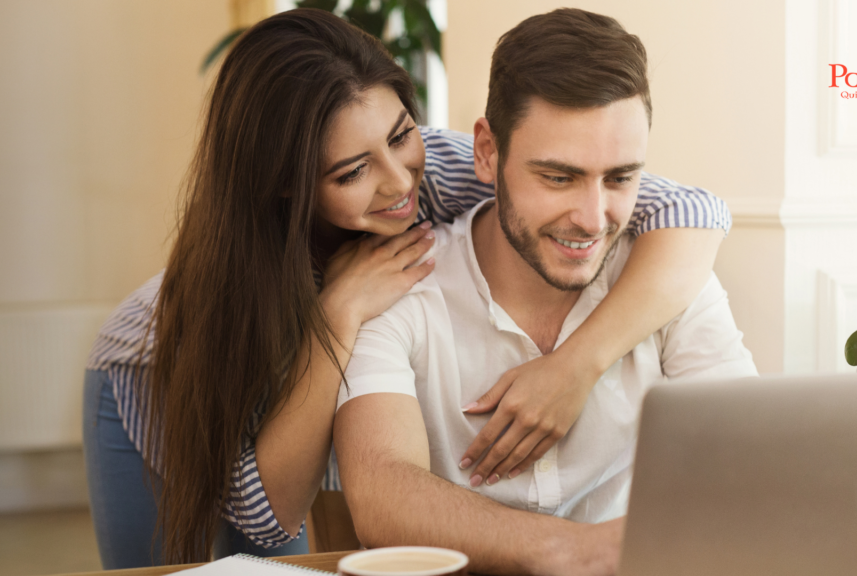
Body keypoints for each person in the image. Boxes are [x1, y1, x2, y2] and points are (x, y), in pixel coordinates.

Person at [83, 7, 731, 569]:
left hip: (313, 359)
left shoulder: (446, 170)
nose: (399, 184)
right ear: (287, 183)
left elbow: (693, 214)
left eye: (400, 136)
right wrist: (337, 312)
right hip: (162, 374)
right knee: (185, 566)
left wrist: (574, 365)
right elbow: (267, 514)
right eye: (352, 170)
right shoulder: (240, 289)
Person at [333, 9, 758, 576]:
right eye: (558, 177)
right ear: (487, 152)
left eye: (620, 178)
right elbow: (382, 491)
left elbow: (748, 463)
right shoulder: (395, 283)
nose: (592, 218)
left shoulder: (670, 277)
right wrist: (574, 551)